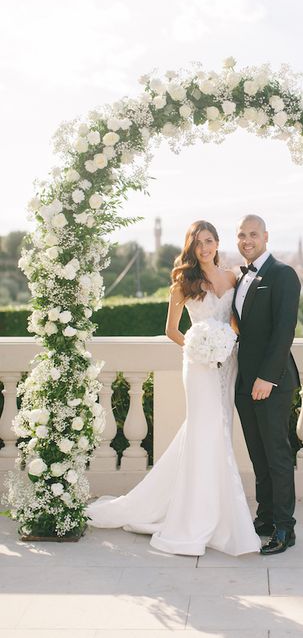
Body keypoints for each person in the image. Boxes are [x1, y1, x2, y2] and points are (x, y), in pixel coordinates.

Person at [87, 220, 261, 556]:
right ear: (191, 248)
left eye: (210, 240)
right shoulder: (184, 282)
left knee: (218, 432)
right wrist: (198, 348)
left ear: (217, 242)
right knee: (204, 430)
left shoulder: (233, 277)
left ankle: (220, 513)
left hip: (228, 363)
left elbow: (236, 322)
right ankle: (197, 518)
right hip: (198, 366)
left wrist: (228, 344)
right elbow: (171, 330)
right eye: (199, 243)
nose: (205, 247)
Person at [233, 214, 301, 555]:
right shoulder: (239, 277)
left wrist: (267, 378)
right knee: (258, 455)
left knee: (277, 455)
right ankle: (266, 516)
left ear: (266, 237)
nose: (247, 240)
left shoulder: (282, 275)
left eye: (253, 234)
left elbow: (284, 331)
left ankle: (285, 529)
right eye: (242, 235)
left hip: (272, 381)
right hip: (243, 381)